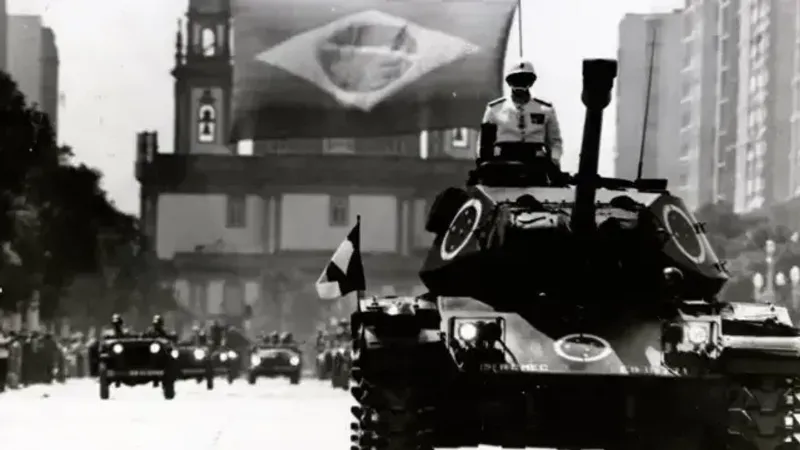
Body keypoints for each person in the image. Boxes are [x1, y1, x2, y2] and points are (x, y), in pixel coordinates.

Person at [479, 60, 563, 168]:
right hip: (504, 162)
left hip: (536, 163)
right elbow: (484, 144)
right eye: (516, 80)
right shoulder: (495, 108)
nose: (520, 84)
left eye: (524, 80)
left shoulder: (545, 109)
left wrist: (554, 160)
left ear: (531, 82)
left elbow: (555, 141)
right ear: (509, 82)